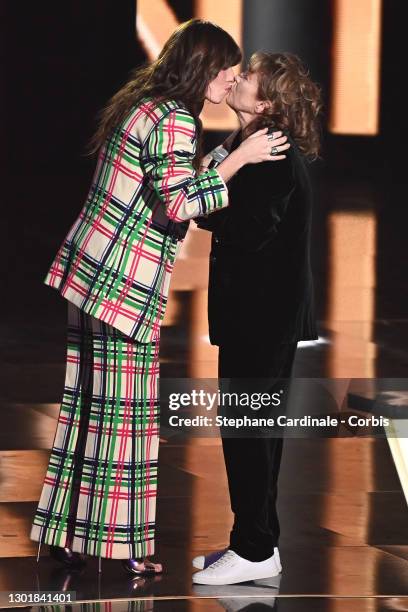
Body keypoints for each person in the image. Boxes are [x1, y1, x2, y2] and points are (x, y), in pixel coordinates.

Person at [29, 21, 290, 576]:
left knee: (87, 411)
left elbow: (168, 179)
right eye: (226, 70)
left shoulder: (148, 105)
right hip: (123, 286)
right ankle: (121, 549)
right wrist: (240, 160)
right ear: (204, 69)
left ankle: (68, 535)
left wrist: (222, 156)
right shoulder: (174, 118)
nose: (231, 80)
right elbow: (177, 204)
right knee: (123, 420)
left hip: (91, 272)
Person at [192, 52, 322, 585]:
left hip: (263, 317)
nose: (237, 79)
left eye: (248, 79)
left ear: (265, 103)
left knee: (248, 433)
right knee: (253, 431)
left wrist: (215, 181)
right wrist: (227, 162)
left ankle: (253, 548)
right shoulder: (249, 147)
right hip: (259, 315)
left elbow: (243, 229)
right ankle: (256, 543)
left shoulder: (268, 154)